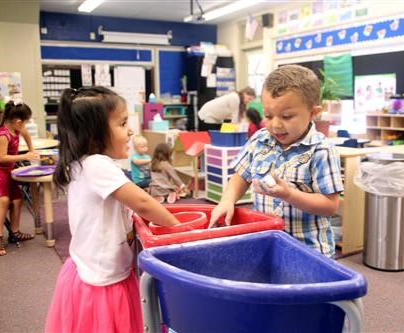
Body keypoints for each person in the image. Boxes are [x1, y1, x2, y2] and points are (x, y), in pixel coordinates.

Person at [45, 87, 180, 332]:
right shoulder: (98, 165)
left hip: (93, 267)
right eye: (122, 123)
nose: (130, 131)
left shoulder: (81, 164)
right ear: (95, 135)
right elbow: (143, 202)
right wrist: (179, 229)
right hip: (103, 279)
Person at [208, 65, 343, 258]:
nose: (276, 125)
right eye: (268, 116)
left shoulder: (322, 150)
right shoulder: (260, 139)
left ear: (313, 113)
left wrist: (289, 194)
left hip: (307, 252)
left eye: (287, 116)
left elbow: (330, 205)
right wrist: (227, 201)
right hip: (267, 245)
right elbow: (241, 176)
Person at [0, 100, 40, 256]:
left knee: (17, 200)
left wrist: (32, 151)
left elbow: (27, 135)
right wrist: (24, 155)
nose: (25, 127)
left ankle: (15, 233)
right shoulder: (3, 135)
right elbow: (0, 157)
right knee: (3, 200)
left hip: (8, 172)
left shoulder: (17, 129)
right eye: (25, 123)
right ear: (18, 121)